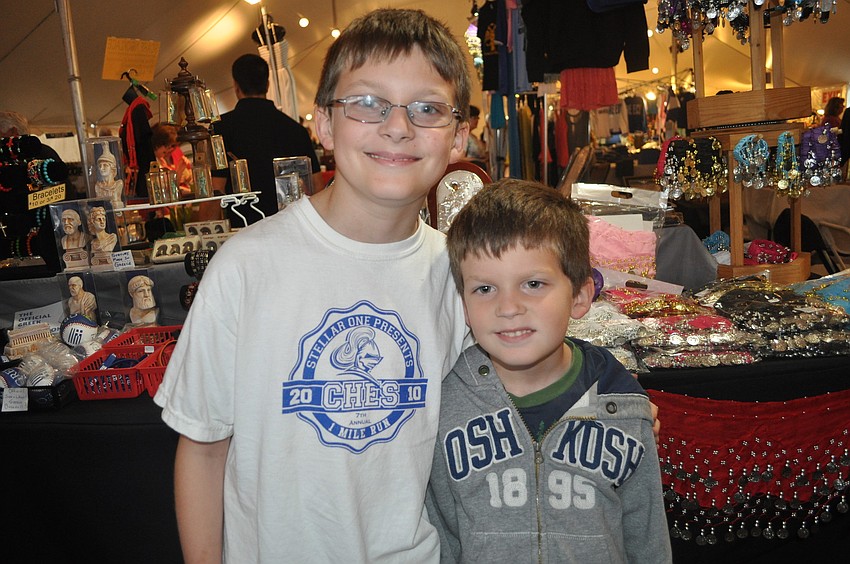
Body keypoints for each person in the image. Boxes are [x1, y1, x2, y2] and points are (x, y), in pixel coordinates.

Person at [154, 9, 472, 562]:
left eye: (427, 108)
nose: (398, 126)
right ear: (323, 123)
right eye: (367, 103)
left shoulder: (460, 276)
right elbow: (203, 448)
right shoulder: (246, 267)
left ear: (459, 134)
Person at [426, 179, 671, 563]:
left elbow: (647, 537)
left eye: (533, 284)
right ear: (462, 304)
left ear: (579, 296)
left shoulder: (623, 408)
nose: (508, 307)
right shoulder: (444, 405)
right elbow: (440, 537)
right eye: (485, 289)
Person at [210, 53, 322, 225]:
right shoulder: (295, 130)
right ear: (267, 84)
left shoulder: (220, 129)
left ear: (236, 86)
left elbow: (216, 190)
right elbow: (316, 187)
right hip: (291, 228)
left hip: (243, 230)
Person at [151, 123, 193, 199]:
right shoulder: (155, 164)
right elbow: (166, 191)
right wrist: (179, 172)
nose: (170, 149)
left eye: (173, 146)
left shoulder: (164, 159)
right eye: (169, 146)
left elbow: (189, 177)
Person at [464, 104, 489, 173]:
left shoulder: (473, 136)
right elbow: (460, 158)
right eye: (474, 118)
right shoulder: (464, 136)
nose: (477, 120)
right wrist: (478, 160)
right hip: (469, 170)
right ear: (467, 118)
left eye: (477, 118)